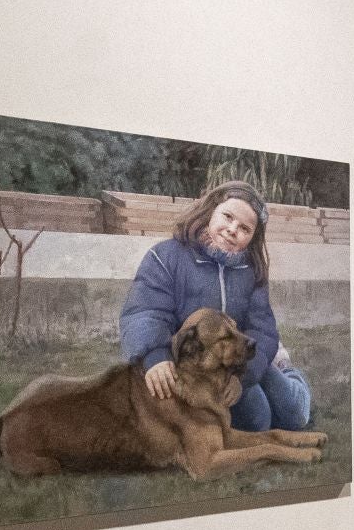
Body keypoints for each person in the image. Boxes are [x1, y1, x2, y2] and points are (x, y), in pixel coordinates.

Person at [119, 180, 312, 431]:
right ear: (210, 210)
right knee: (258, 419)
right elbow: (145, 312)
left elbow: (262, 330)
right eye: (228, 216)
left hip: (240, 362)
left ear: (253, 238)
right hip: (194, 367)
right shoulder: (166, 256)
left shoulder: (250, 271)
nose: (233, 229)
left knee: (294, 415)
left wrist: (243, 376)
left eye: (245, 228)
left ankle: (287, 372)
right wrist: (155, 357)